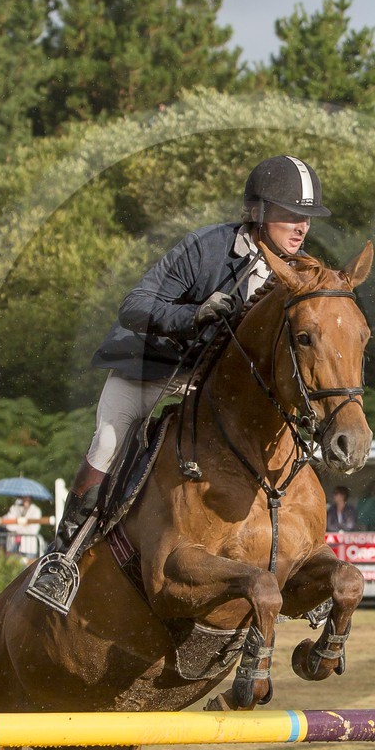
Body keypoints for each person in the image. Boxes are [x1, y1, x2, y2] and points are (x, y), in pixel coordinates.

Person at [53, 155, 332, 551]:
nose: (302, 226)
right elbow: (134, 306)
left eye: (307, 217)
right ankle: (65, 554)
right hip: (152, 369)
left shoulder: (297, 274)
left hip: (211, 387)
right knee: (108, 444)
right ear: (259, 212)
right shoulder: (206, 248)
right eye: (291, 214)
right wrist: (192, 314)